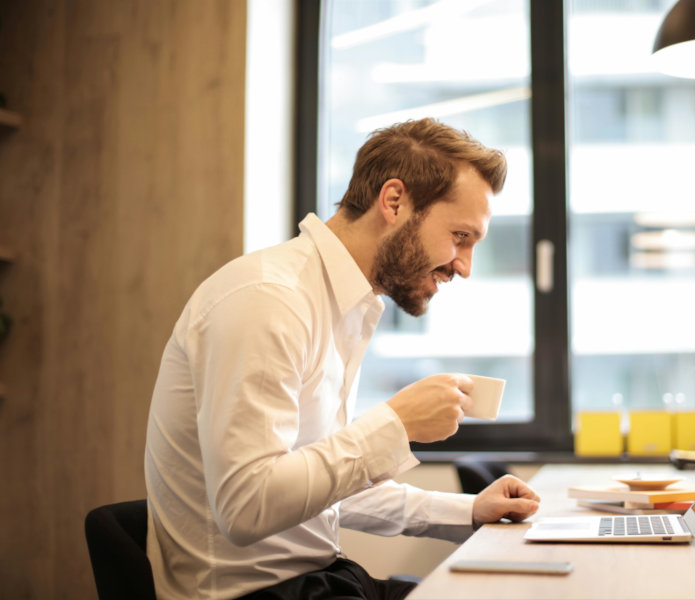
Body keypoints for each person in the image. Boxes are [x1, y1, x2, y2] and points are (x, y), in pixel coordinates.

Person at [144, 118, 541, 600]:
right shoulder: (269, 299)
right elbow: (246, 507)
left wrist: (467, 511)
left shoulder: (345, 304)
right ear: (394, 202)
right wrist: (394, 425)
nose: (465, 266)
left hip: (317, 582)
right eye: (460, 236)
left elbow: (318, 489)